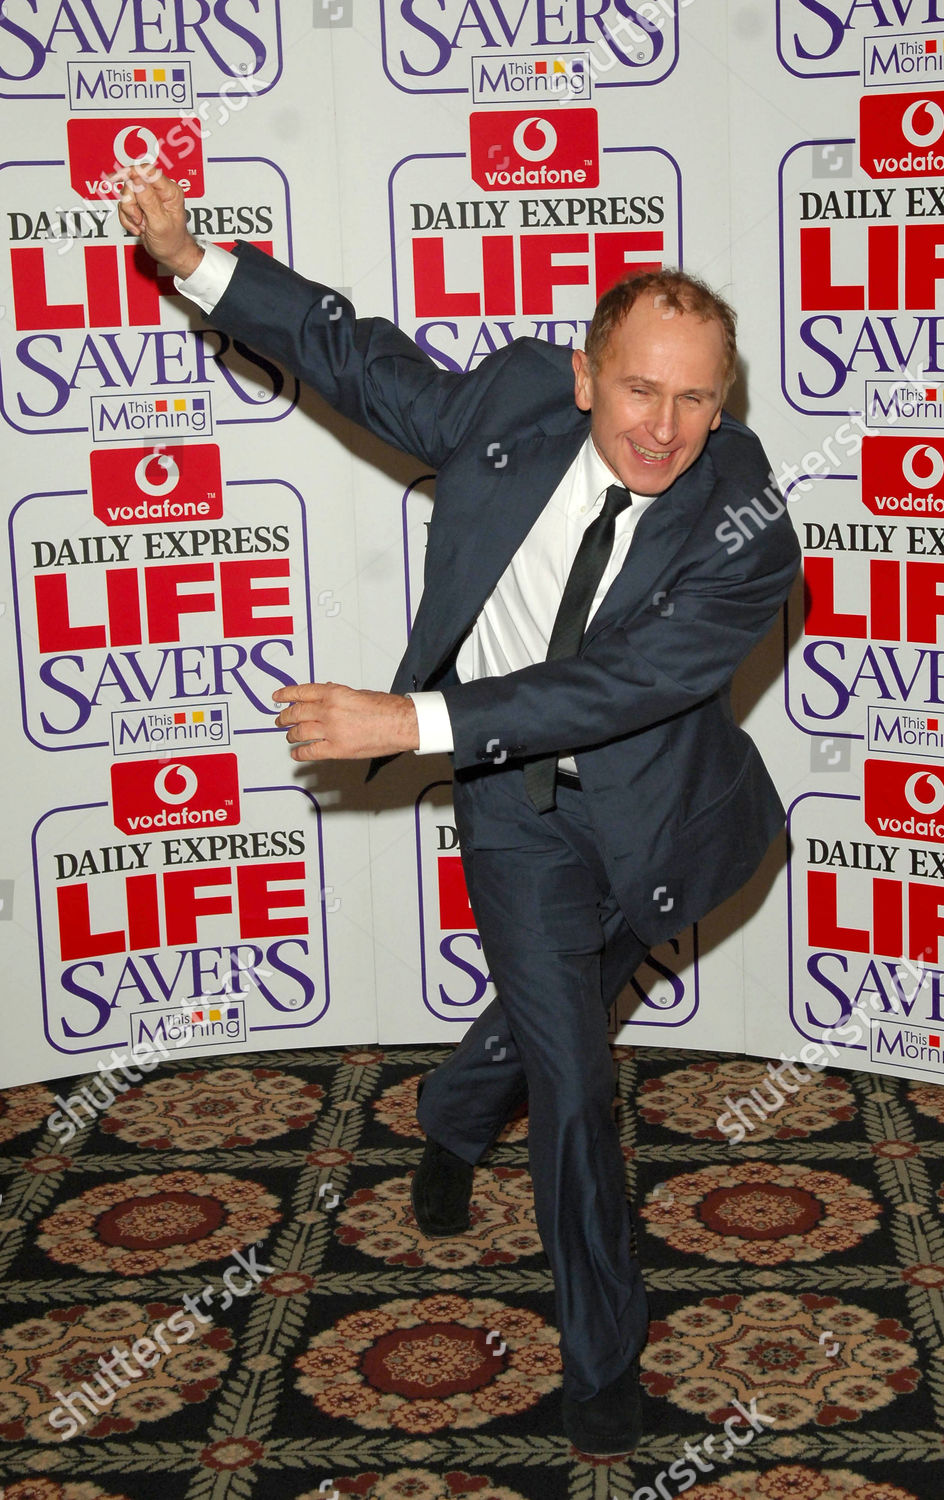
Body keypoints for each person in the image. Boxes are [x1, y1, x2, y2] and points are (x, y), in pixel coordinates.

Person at [118, 167, 801, 1457]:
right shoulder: (512, 405)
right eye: (640, 389)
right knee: (574, 1068)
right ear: (589, 375)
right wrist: (193, 261)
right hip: (521, 810)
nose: (662, 427)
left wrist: (409, 722)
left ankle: (446, 1112)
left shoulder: (749, 520)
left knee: (561, 1010)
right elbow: (355, 359)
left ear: (727, 403)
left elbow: (630, 681)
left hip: (665, 818)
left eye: (696, 399)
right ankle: (605, 1361)